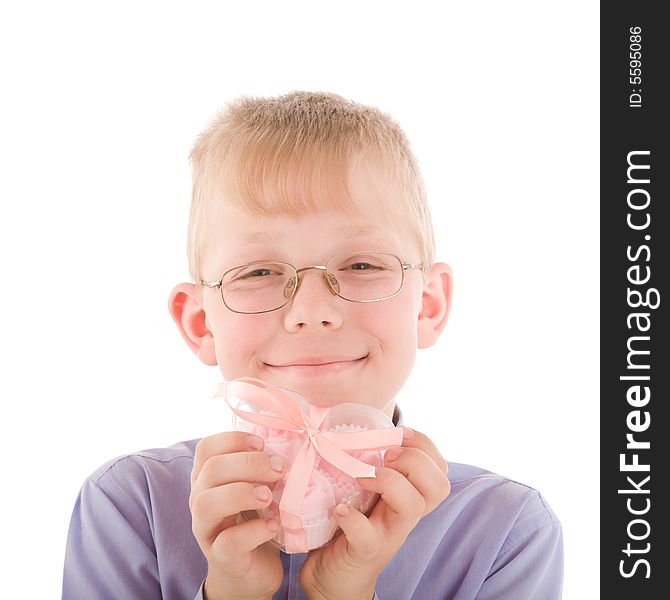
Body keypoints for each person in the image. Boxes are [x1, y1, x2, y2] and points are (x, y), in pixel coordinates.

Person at [62, 91, 563, 599]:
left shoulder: (506, 533)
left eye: (362, 266)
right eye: (258, 271)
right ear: (201, 324)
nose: (312, 312)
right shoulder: (130, 506)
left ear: (427, 306)